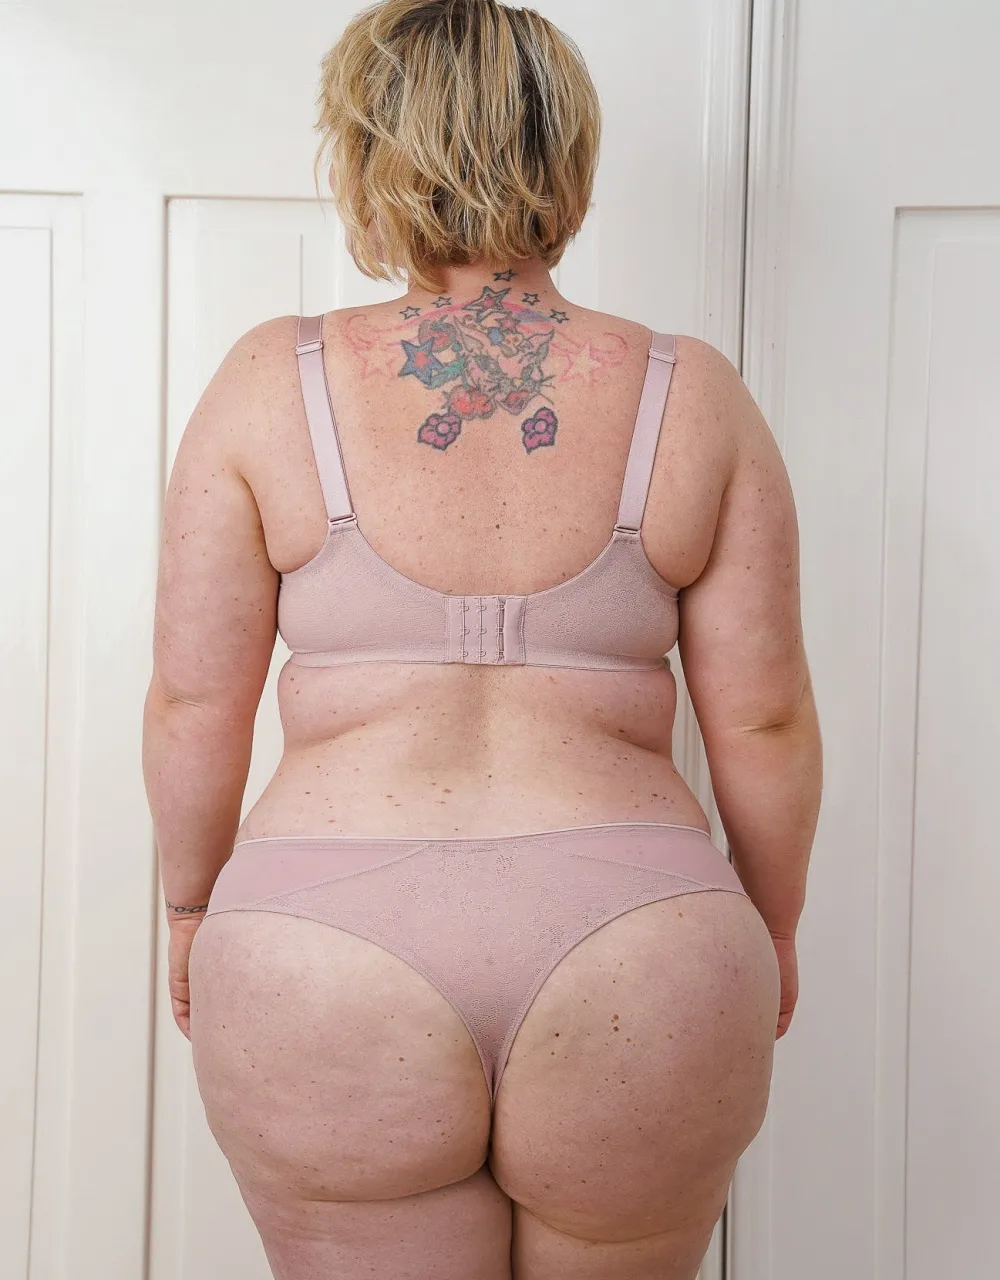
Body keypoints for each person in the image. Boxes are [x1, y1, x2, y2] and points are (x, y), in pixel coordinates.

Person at [141, 1, 822, 1276]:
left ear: (366, 155)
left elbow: (193, 701)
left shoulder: (267, 384)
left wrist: (188, 907)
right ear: (568, 156)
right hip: (646, 941)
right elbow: (765, 716)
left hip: (319, 947)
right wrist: (773, 924)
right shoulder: (691, 394)